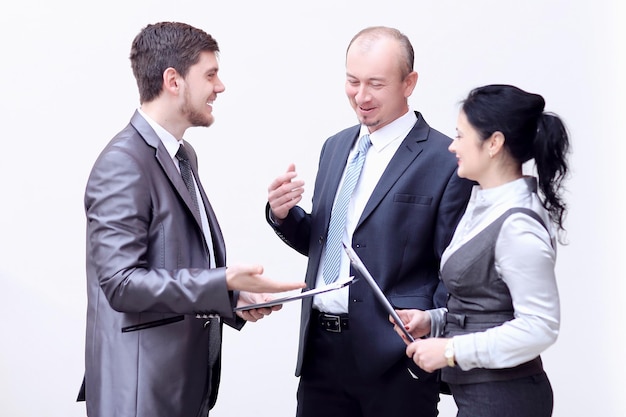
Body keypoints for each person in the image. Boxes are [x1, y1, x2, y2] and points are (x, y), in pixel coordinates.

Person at [77, 22, 305, 417]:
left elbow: (173, 269)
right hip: (140, 394)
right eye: (210, 75)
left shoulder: (182, 156)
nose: (220, 87)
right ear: (173, 80)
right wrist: (224, 281)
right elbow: (120, 284)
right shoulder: (123, 163)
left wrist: (231, 298)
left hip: (180, 387)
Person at [265, 26, 474, 417]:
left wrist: (429, 341)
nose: (361, 97)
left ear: (409, 82)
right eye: (352, 81)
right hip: (320, 352)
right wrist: (283, 214)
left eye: (375, 84)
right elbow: (331, 241)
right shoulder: (336, 145)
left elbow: (456, 269)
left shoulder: (445, 160)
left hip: (396, 360)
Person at [391, 84, 570, 417]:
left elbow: (540, 327)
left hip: (505, 399)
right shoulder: (483, 205)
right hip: (481, 396)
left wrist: (450, 350)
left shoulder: (518, 226)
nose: (451, 145)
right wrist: (431, 321)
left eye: (460, 136)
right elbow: (487, 305)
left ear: (494, 143)